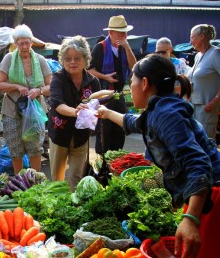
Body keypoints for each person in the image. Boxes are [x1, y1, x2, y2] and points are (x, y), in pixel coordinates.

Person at [97, 54, 220, 258]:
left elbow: (197, 163)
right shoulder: (160, 108)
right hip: (202, 193)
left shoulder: (166, 114)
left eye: (131, 82)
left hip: (211, 195)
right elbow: (134, 122)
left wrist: (190, 219)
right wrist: (106, 112)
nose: (130, 87)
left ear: (144, 83)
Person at [0, 24, 52, 174]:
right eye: (21, 43)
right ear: (16, 44)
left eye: (27, 42)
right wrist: (17, 87)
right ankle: (20, 180)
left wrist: (38, 90)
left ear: (32, 43)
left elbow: (51, 87)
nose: (25, 46)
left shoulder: (40, 60)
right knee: (15, 148)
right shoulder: (9, 58)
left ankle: (35, 181)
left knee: (34, 148)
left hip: (35, 112)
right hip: (12, 110)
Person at [48, 36, 100, 191]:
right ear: (62, 60)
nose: (72, 62)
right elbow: (57, 104)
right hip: (60, 134)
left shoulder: (93, 81)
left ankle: (74, 206)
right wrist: (76, 111)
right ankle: (56, 207)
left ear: (86, 59)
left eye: (77, 58)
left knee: (76, 177)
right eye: (68, 58)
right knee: (57, 179)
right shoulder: (58, 78)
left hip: (81, 136)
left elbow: (98, 104)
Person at [88, 15, 136, 154]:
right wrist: (105, 77)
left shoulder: (125, 47)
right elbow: (89, 70)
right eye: (119, 32)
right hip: (103, 94)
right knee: (104, 130)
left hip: (118, 94)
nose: (123, 35)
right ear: (111, 33)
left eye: (124, 32)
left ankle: (117, 156)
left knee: (119, 128)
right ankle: (102, 161)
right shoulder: (100, 47)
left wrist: (127, 47)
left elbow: (134, 67)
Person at [187, 24, 220, 139]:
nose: (190, 41)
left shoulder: (215, 53)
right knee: (194, 143)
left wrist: (215, 101)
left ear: (201, 36)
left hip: (207, 108)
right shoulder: (198, 56)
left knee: (205, 143)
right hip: (193, 106)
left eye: (192, 37)